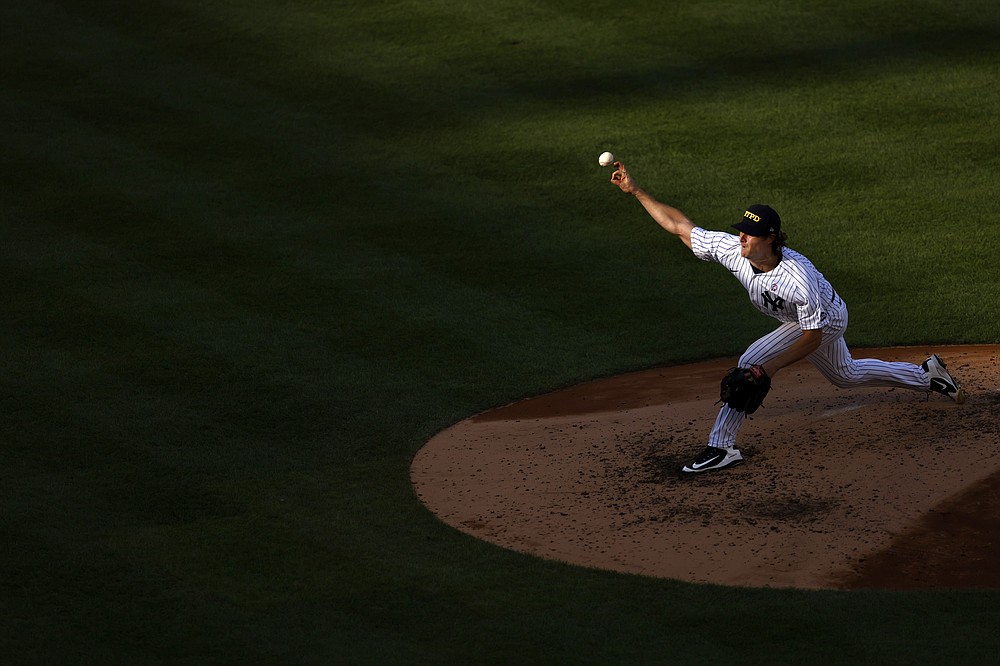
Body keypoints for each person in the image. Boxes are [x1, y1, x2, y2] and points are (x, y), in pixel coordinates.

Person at [609, 161, 966, 473]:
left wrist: (770, 367)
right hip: (801, 320)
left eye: (750, 233)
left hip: (825, 320)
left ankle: (721, 447)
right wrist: (635, 190)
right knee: (846, 375)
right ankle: (926, 375)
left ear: (772, 239)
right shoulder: (735, 251)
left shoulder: (798, 279)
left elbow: (811, 336)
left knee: (752, 362)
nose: (741, 237)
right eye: (741, 230)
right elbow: (680, 227)